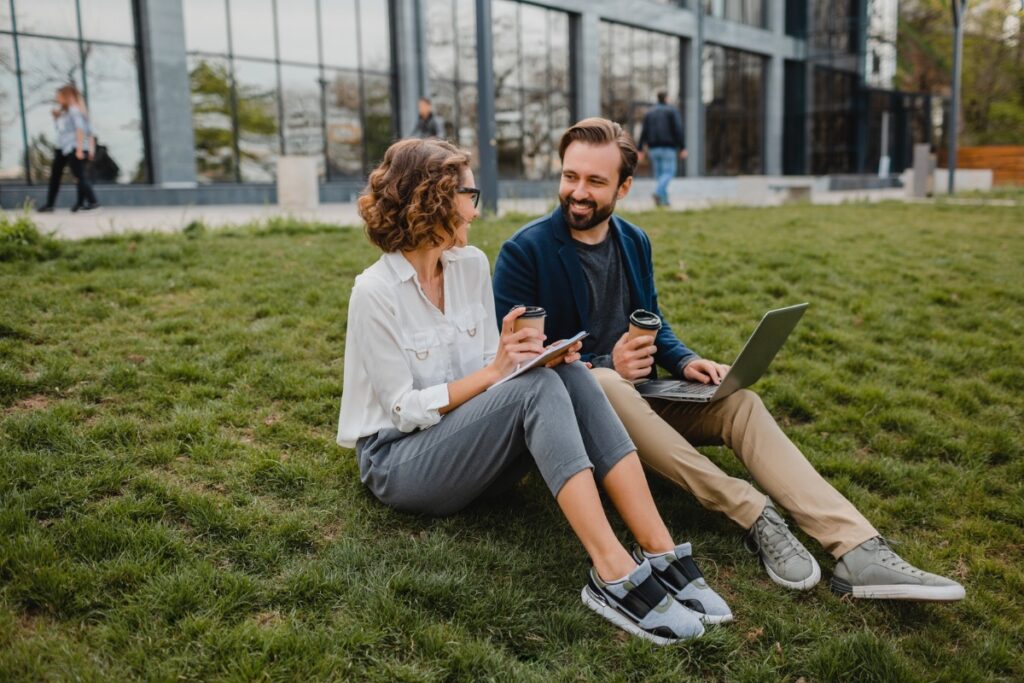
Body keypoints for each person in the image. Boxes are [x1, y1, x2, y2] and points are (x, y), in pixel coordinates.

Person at [492, 118, 966, 603]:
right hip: (582, 419)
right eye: (570, 176)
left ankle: (858, 548)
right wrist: (604, 363)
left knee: (741, 404)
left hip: (643, 398)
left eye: (595, 181)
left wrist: (685, 361)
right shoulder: (523, 252)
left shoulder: (634, 240)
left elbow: (653, 320)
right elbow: (523, 367)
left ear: (624, 187)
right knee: (607, 384)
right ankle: (752, 511)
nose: (577, 192)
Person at [337, 138, 732, 644]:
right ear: (433, 200)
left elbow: (489, 366)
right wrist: (498, 371)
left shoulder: (470, 265)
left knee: (569, 372)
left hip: (468, 445)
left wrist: (526, 357)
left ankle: (659, 547)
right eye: (469, 195)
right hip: (399, 460)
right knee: (535, 389)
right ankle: (612, 571)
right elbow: (404, 410)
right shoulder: (374, 292)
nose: (475, 210)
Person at [37, 84, 99, 213]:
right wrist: (56, 118)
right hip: (63, 147)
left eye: (59, 96)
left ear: (66, 96)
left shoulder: (75, 110)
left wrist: (80, 149)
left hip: (73, 146)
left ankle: (93, 202)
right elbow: (62, 130)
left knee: (79, 176)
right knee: (57, 175)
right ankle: (52, 204)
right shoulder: (66, 112)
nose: (57, 98)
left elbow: (81, 130)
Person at [637, 92, 685, 208]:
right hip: (668, 148)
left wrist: (640, 149)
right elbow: (678, 130)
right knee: (669, 172)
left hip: (653, 149)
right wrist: (682, 147)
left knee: (660, 176)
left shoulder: (650, 113)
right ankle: (658, 193)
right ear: (666, 98)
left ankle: (663, 201)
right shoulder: (671, 111)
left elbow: (644, 131)